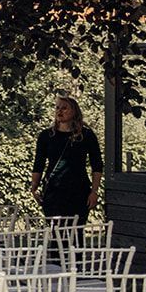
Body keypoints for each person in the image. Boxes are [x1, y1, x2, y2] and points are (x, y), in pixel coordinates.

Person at [31, 96, 103, 224]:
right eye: (57, 108)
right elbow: (38, 164)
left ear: (74, 111)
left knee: (76, 232)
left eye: (64, 108)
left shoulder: (86, 135)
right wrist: (34, 188)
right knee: (56, 233)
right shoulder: (46, 136)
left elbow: (96, 165)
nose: (60, 111)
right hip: (53, 191)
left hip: (79, 191)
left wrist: (94, 191)